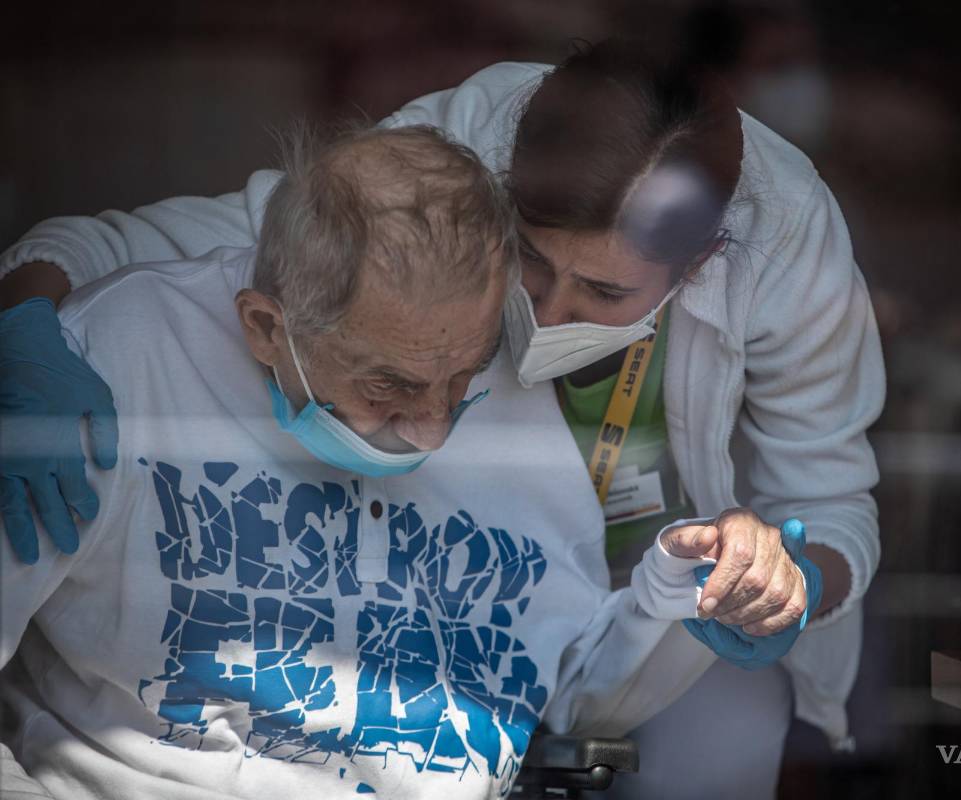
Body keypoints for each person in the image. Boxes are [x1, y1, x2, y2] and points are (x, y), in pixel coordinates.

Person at [0, 39, 882, 797]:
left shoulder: (786, 242)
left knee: (719, 740)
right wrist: (27, 325)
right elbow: (228, 244)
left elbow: (831, 494)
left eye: (606, 292)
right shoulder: (448, 172)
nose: (549, 313)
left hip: (638, 575)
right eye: (529, 265)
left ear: (698, 271)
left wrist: (775, 584)